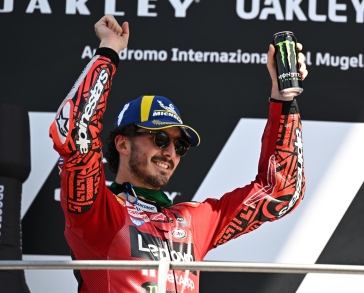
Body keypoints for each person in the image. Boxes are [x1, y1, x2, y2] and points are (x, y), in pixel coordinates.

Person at [49, 15, 307, 293]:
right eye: (160, 139)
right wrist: (109, 50)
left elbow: (280, 192)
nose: (171, 152)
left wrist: (284, 100)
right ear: (123, 144)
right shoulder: (97, 212)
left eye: (179, 146)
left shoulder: (192, 220)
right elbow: (75, 134)